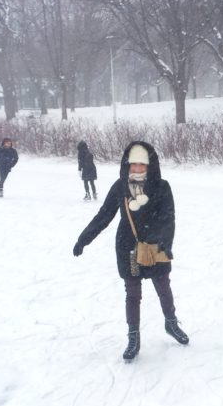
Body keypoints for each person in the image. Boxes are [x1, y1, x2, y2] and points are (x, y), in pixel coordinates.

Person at [72, 140, 189, 361]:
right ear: (127, 165)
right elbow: (104, 216)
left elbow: (168, 217)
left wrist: (166, 241)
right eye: (133, 164)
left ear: (150, 165)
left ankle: (171, 323)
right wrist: (83, 239)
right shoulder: (120, 187)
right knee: (133, 293)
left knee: (163, 286)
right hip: (129, 248)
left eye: (141, 164)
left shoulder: (162, 186)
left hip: (156, 245)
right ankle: (133, 336)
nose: (137, 168)